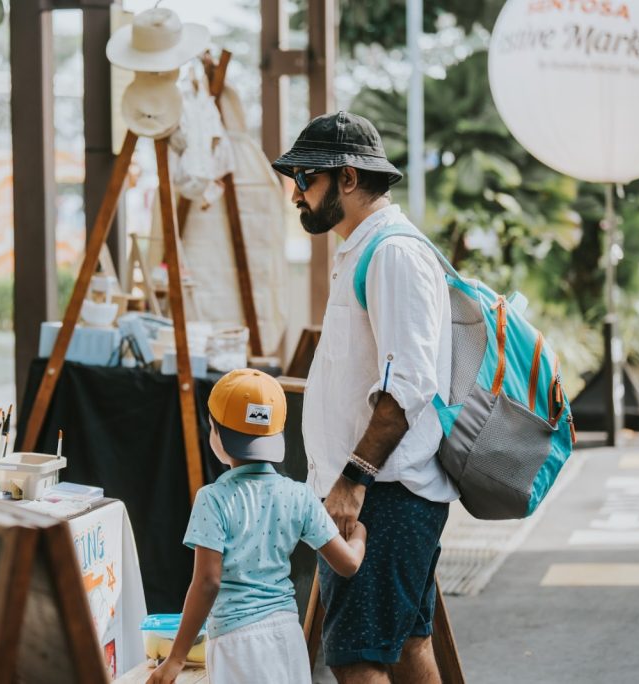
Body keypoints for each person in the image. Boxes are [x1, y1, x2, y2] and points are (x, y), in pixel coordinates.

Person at [271, 112, 459, 684]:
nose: (296, 193)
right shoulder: (365, 248)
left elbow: (407, 388)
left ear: (347, 179)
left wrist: (352, 481)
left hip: (383, 493)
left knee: (357, 658)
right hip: (385, 490)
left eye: (306, 178)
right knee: (405, 643)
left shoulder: (393, 254)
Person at [147, 369, 367, 684]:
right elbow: (348, 564)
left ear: (216, 433)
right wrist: (360, 534)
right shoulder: (300, 495)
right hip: (287, 635)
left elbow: (208, 582)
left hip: (237, 642)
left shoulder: (213, 499)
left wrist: (176, 658)